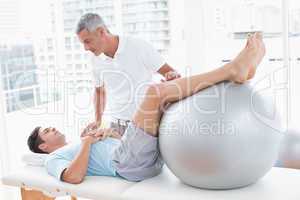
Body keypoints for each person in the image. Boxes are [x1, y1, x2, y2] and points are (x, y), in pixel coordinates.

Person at [27, 33, 265, 184]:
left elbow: (101, 154)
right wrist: (89, 142)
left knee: (167, 93)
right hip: (127, 165)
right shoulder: (53, 159)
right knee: (154, 93)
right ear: (44, 146)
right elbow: (73, 177)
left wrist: (106, 134)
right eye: (47, 131)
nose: (53, 129)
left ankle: (232, 75)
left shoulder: (74, 146)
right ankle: (233, 70)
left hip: (135, 155)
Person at [76, 13, 181, 135]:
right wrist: (98, 120)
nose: (85, 48)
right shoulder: (95, 60)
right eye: (83, 43)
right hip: (117, 126)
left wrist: (171, 78)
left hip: (145, 123)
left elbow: (170, 73)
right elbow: (99, 92)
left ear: (101, 32)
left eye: (87, 41)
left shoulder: (138, 46)